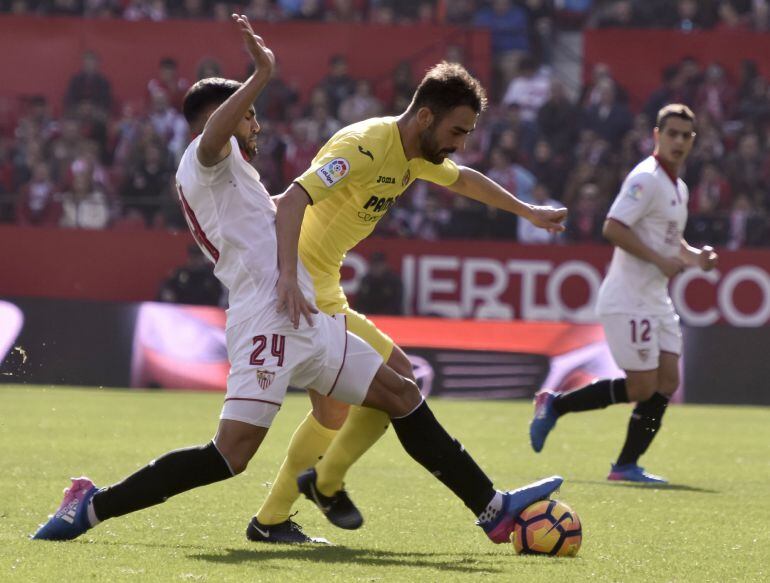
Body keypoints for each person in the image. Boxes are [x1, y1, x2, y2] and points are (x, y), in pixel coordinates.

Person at [32, 14, 562, 545]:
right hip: (267, 315)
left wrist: (527, 210)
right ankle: (92, 506)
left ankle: (491, 508)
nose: (256, 125)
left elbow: (273, 212)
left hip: (303, 311)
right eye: (249, 116)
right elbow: (227, 146)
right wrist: (261, 74)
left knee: (400, 392)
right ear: (221, 117)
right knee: (230, 455)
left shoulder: (238, 176)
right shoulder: (203, 158)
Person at [251, 60, 567, 540]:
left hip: (325, 286)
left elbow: (464, 179)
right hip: (305, 290)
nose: (461, 144)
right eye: (457, 131)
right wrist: (289, 279)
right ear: (424, 116)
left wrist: (528, 211)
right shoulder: (364, 146)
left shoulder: (417, 154)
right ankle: (301, 499)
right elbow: (293, 200)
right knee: (383, 393)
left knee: (375, 392)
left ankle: (307, 494)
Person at [529, 104, 719, 483]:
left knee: (668, 381)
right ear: (657, 136)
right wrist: (659, 261)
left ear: (692, 141)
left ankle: (625, 466)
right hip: (628, 300)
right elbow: (614, 227)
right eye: (672, 133)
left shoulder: (678, 188)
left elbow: (670, 240)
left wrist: (696, 258)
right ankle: (556, 404)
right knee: (642, 387)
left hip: (656, 300)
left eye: (685, 135)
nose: (679, 141)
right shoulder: (645, 178)